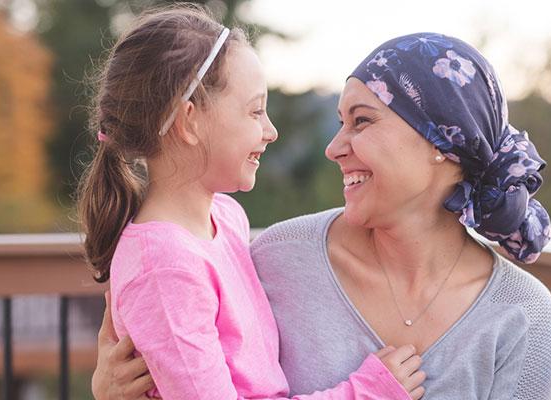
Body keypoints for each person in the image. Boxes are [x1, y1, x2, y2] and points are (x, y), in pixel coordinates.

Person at [95, 32, 551, 399]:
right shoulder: (277, 257)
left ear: (441, 143)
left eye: (362, 121)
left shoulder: (523, 317)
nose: (333, 148)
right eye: (339, 121)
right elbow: (167, 326)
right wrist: (109, 388)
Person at [79, 5, 424, 399]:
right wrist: (365, 393)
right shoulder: (163, 266)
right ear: (189, 121)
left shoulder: (225, 219)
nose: (270, 131)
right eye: (255, 111)